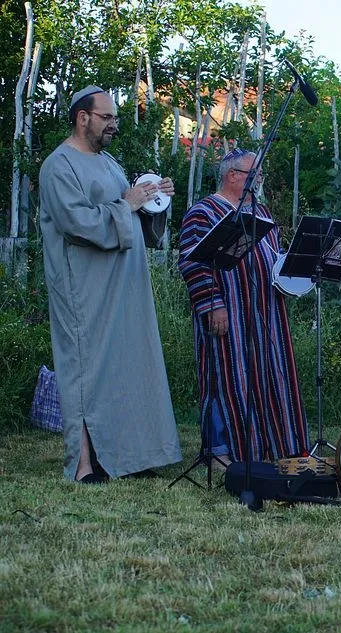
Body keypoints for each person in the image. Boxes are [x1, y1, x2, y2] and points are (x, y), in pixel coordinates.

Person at [38, 85, 182, 483]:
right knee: (84, 369)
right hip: (84, 290)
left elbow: (131, 215)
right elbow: (76, 223)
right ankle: (84, 464)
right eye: (106, 117)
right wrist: (127, 203)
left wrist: (153, 199)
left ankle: (127, 457)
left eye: (114, 118)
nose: (113, 125)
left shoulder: (109, 163)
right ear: (82, 118)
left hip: (125, 286)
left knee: (128, 366)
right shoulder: (58, 166)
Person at [178, 149, 309, 463]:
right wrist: (212, 304)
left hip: (266, 312)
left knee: (268, 375)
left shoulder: (260, 211)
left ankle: (269, 446)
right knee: (224, 375)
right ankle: (220, 451)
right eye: (254, 173)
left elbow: (272, 257)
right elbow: (192, 263)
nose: (259, 179)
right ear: (232, 175)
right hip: (228, 310)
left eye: (261, 173)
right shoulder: (203, 212)